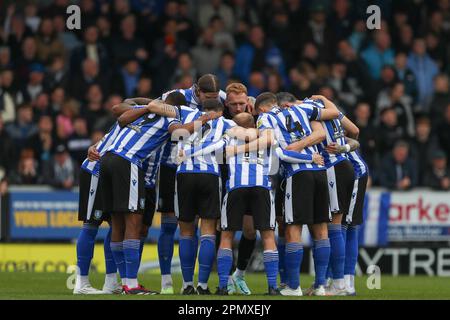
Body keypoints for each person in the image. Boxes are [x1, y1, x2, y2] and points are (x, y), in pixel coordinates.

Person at [252, 92, 337, 296]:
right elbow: (334, 113)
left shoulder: (266, 118)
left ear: (262, 108)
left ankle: (293, 286)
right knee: (321, 231)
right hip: (320, 172)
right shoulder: (302, 109)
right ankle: (319, 286)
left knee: (293, 229)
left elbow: (277, 150)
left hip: (298, 174)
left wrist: (296, 152)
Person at [175, 99, 236, 295]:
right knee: (208, 232)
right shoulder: (226, 122)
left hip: (184, 173)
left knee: (186, 231)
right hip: (209, 175)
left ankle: (186, 285)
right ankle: (202, 285)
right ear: (221, 110)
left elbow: (163, 107)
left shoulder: (186, 115)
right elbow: (245, 127)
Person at [217, 112, 281, 296]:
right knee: (268, 237)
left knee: (227, 237)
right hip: (262, 187)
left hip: (236, 187)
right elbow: (282, 154)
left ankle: (223, 286)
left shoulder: (227, 138)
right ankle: (272, 287)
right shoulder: (267, 137)